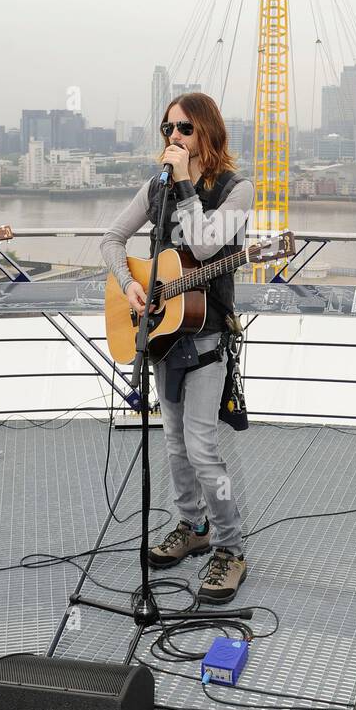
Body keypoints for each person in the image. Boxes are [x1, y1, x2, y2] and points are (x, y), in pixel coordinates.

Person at [101, 93, 254, 603]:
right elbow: (110, 239)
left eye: (184, 129)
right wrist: (129, 284)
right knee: (172, 445)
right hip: (164, 335)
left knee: (204, 449)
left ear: (207, 132)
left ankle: (230, 546)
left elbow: (208, 246)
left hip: (207, 338)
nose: (174, 137)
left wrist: (185, 180)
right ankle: (192, 526)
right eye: (168, 128)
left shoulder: (239, 191)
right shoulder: (156, 187)